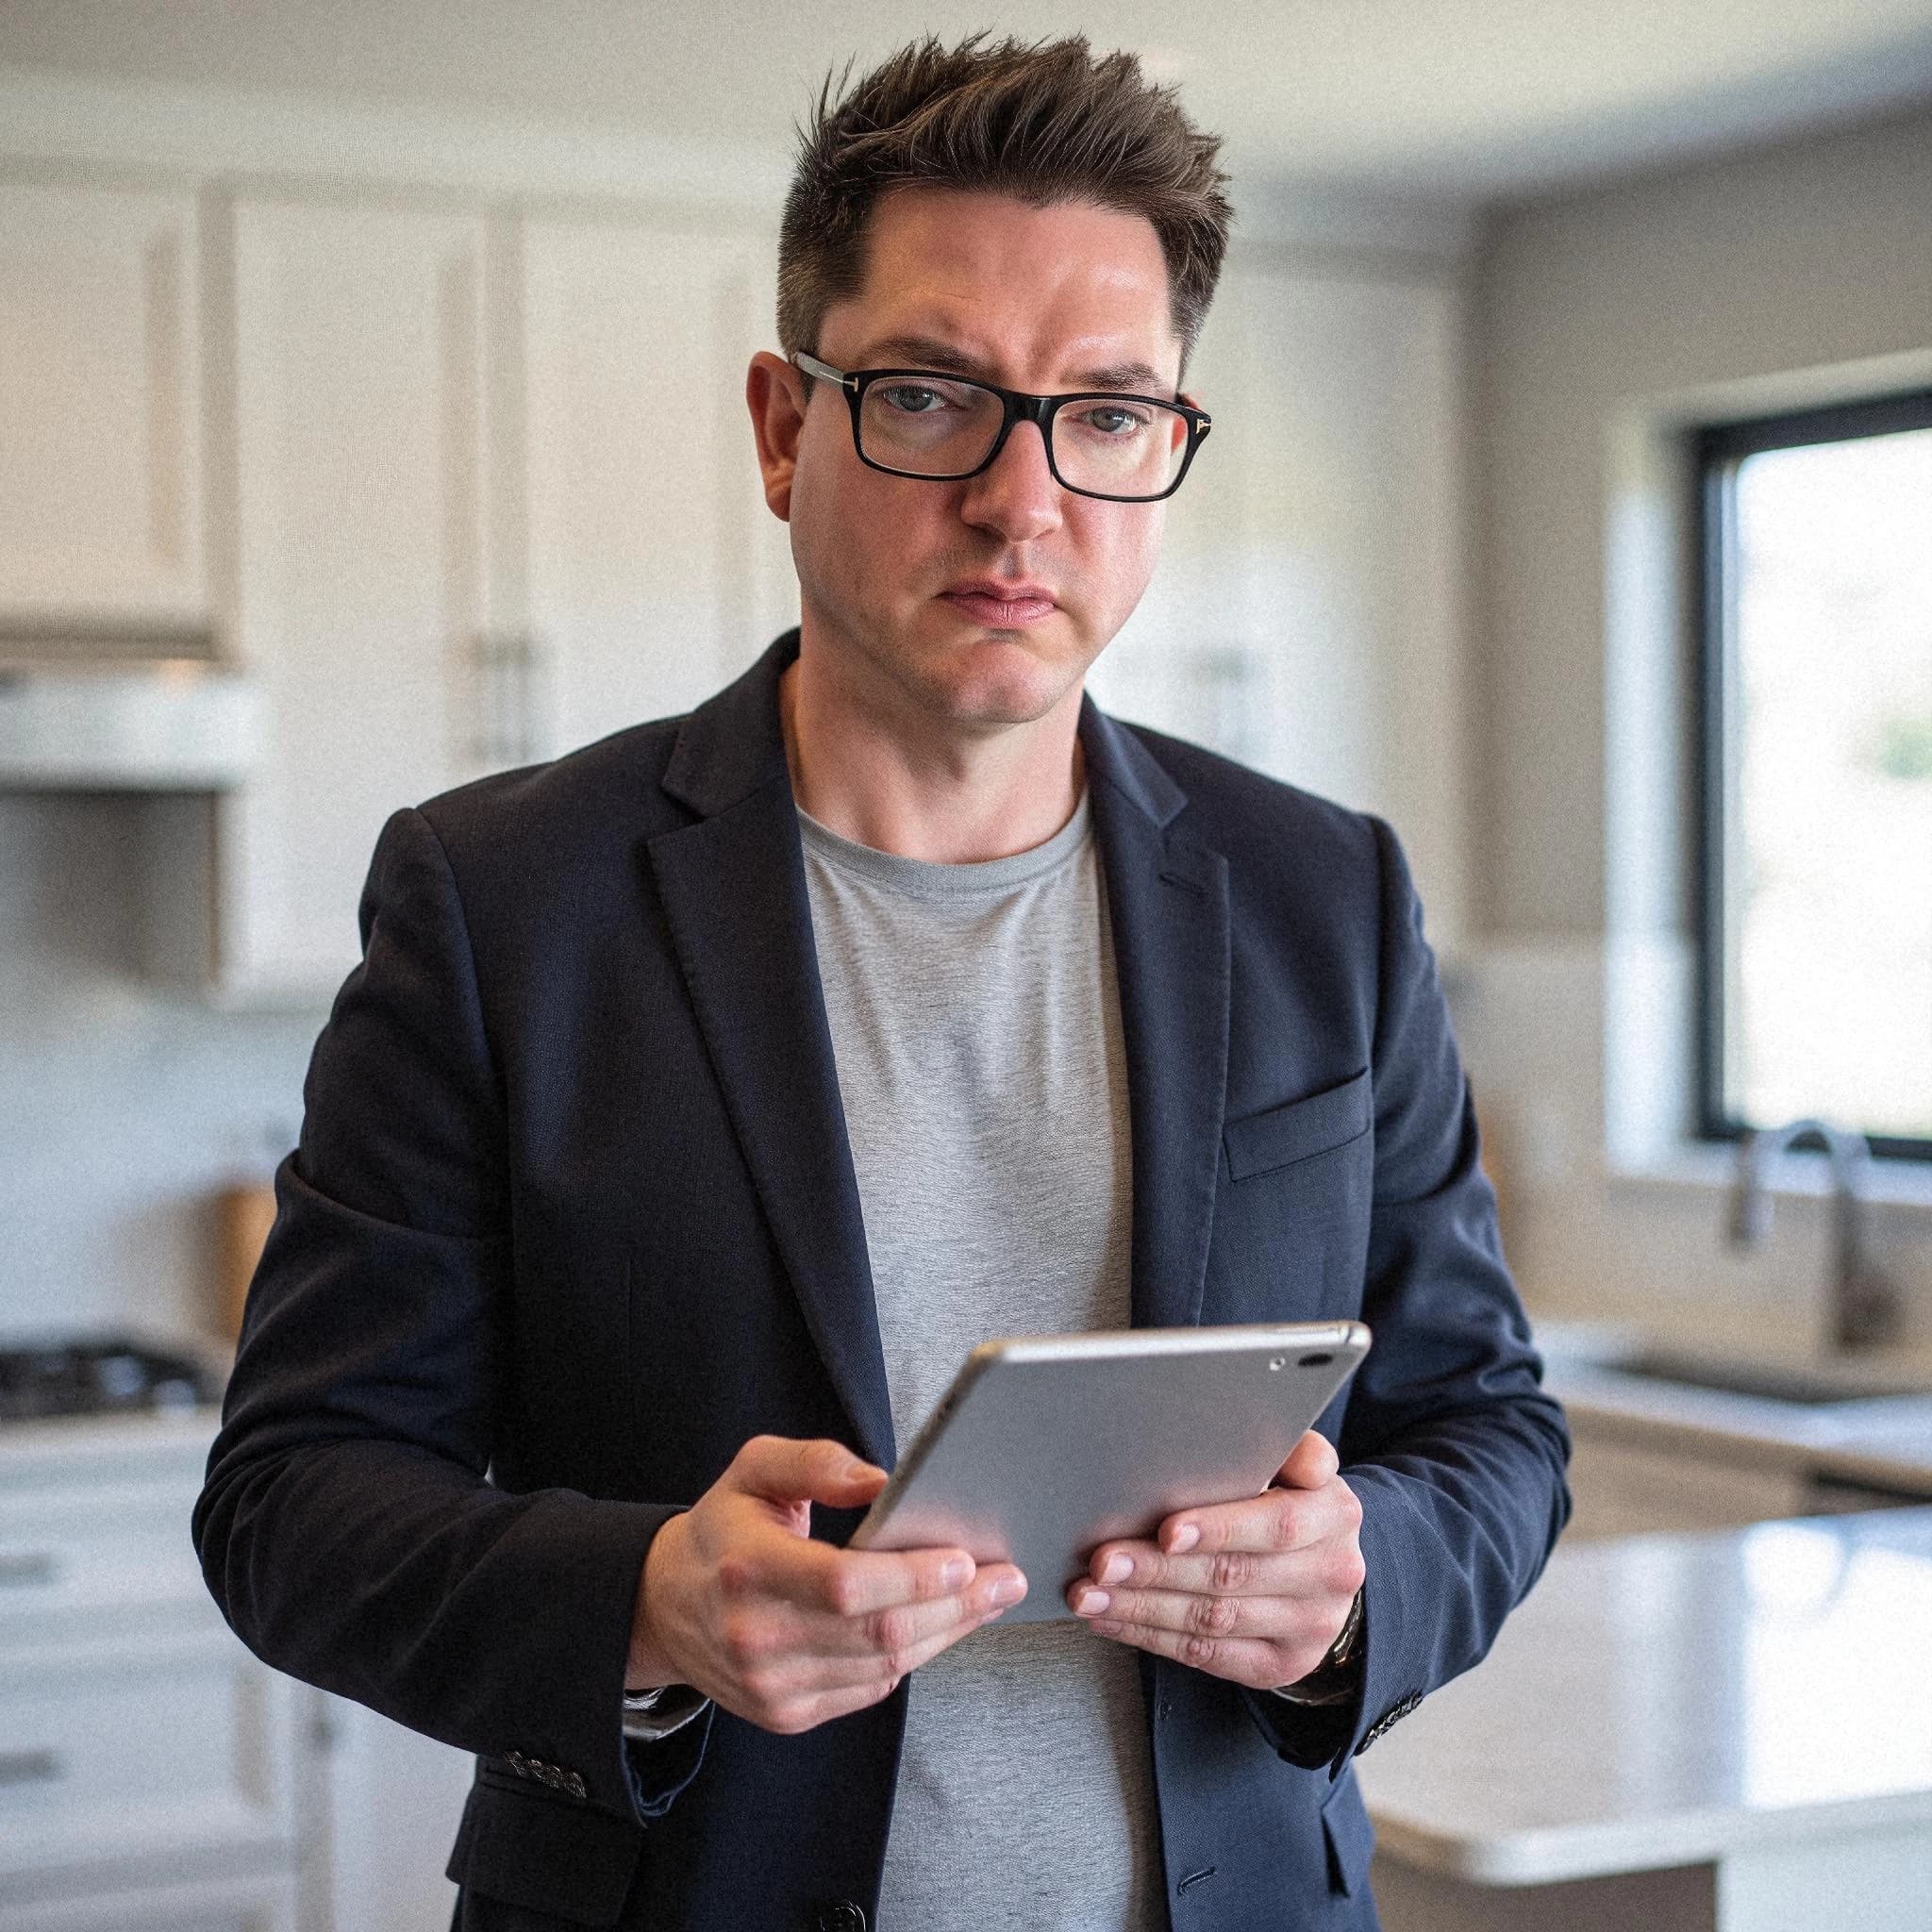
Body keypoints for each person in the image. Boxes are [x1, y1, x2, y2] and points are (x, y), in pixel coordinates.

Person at [194, 31, 1570, 1932]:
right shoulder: (504, 900)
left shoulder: (1318, 892)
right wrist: (647, 1602)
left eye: (1106, 412)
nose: (1024, 504)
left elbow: (1490, 1427)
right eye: (931, 397)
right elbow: (289, 1497)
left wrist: (1360, 1585)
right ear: (784, 426)